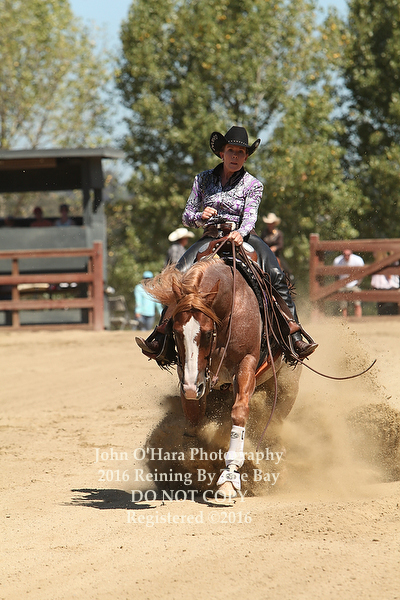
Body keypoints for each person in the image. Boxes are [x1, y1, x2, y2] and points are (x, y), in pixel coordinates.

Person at [136, 125, 317, 360]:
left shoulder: (253, 184)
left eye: (241, 152)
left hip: (244, 237)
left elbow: (250, 216)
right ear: (222, 153)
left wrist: (240, 232)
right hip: (210, 236)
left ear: (246, 156)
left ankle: (294, 335)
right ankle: (162, 337)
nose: (235, 156)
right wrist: (200, 217)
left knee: (275, 274)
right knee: (177, 279)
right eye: (231, 151)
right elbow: (187, 216)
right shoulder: (202, 179)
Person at [333, 249, 365, 317]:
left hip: (354, 285)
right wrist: (338, 284)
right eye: (345, 255)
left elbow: (362, 273)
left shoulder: (357, 260)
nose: (346, 256)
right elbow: (335, 275)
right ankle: (344, 320)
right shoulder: (337, 261)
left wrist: (358, 283)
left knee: (357, 303)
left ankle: (358, 319)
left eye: (348, 255)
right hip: (342, 285)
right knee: (343, 306)